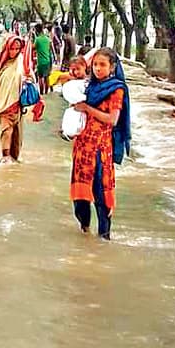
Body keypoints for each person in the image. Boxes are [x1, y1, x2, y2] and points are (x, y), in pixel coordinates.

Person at [70, 48, 131, 240]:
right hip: (82, 146)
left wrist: (87, 108)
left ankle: (104, 237)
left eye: (102, 65)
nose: (97, 68)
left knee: (100, 194)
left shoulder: (117, 89)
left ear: (112, 67)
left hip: (100, 148)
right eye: (95, 64)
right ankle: (84, 234)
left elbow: (112, 119)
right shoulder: (90, 87)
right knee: (80, 195)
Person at [0, 35, 27, 163]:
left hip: (18, 104)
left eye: (17, 49)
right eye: (12, 48)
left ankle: (13, 158)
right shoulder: (0, 64)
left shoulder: (21, 62)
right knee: (6, 131)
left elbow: (29, 78)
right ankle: (5, 156)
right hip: (3, 104)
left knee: (16, 136)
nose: (14, 51)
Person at [33, 24, 53, 95]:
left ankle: (41, 93)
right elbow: (50, 49)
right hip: (47, 61)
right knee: (46, 77)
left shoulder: (37, 39)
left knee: (40, 77)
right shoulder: (47, 39)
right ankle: (46, 92)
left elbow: (33, 48)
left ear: (37, 30)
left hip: (40, 62)